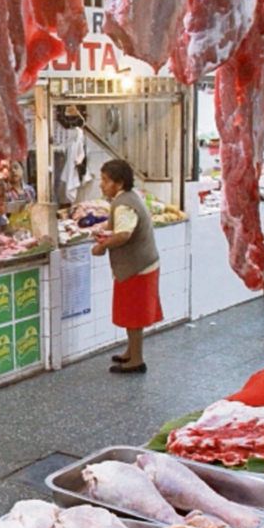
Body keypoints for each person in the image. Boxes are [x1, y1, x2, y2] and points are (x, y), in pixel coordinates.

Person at [91, 159, 162, 374]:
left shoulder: (123, 204)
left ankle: (136, 360)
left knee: (133, 315)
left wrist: (101, 246)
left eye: (105, 181)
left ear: (119, 184)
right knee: (133, 313)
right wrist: (104, 229)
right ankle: (131, 352)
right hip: (142, 264)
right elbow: (121, 227)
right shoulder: (128, 198)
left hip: (137, 267)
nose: (101, 185)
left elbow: (124, 234)